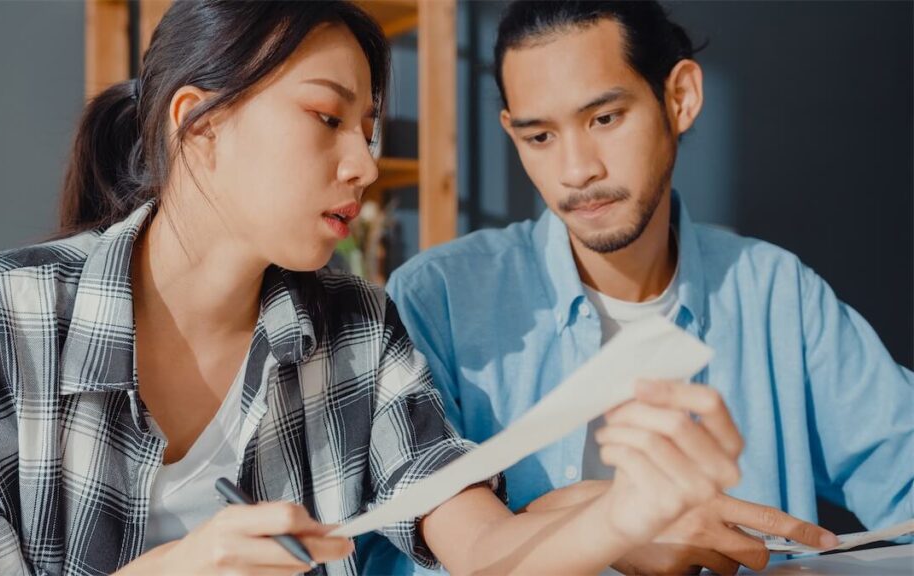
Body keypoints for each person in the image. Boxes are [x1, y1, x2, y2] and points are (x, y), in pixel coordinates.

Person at [0, 2, 748, 575]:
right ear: (200, 125)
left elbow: (483, 547)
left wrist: (625, 515)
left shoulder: (360, 331)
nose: (366, 163)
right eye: (328, 117)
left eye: (370, 129)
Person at [371, 1, 913, 574]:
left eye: (604, 119)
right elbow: (397, 551)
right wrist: (592, 527)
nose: (576, 170)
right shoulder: (440, 299)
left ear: (679, 98)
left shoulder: (777, 294)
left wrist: (554, 515)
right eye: (540, 136)